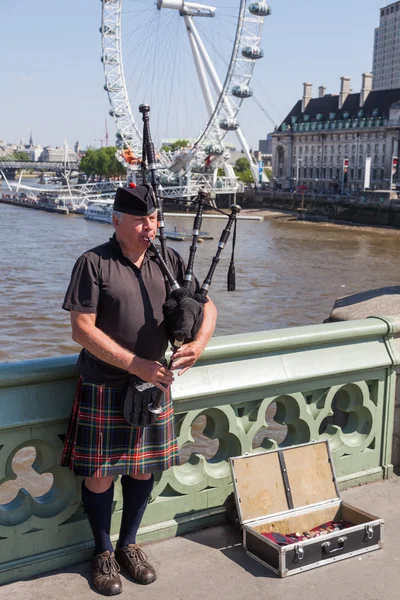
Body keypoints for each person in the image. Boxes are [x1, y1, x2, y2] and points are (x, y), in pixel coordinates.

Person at [61, 183, 217, 596]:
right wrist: (136, 365)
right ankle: (103, 551)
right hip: (105, 383)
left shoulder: (169, 259)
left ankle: (130, 544)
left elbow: (207, 305)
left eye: (153, 218)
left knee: (143, 468)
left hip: (154, 385)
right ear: (116, 221)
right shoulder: (93, 263)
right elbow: (81, 329)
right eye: (140, 220)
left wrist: (198, 345)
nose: (150, 227)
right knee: (99, 475)